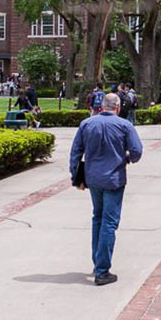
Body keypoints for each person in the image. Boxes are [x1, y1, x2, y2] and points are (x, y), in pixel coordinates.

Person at [69, 92, 143, 286]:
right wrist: (127, 158)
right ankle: (102, 270)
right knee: (109, 223)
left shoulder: (87, 123)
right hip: (114, 179)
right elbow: (137, 151)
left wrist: (76, 178)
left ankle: (98, 262)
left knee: (98, 218)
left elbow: (76, 151)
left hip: (94, 179)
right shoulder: (124, 125)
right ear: (118, 107)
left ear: (101, 106)